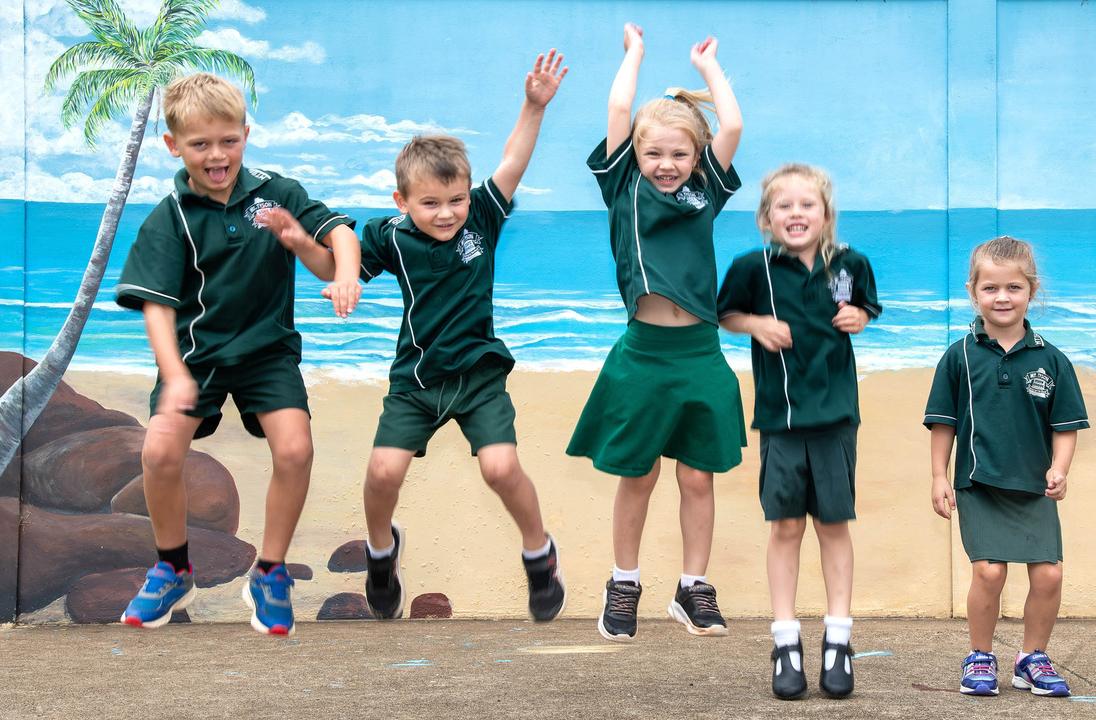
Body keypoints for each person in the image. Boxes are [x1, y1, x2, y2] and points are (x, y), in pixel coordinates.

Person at [115, 72, 362, 636]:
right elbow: (155, 307)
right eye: (200, 144)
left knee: (295, 450)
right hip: (195, 357)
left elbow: (336, 242)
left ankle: (271, 573)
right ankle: (172, 567)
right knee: (159, 453)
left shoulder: (279, 192)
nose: (217, 154)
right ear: (174, 146)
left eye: (228, 140)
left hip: (266, 353)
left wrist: (337, 268)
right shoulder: (170, 216)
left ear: (246, 134)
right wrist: (175, 375)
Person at [355, 51, 568, 622]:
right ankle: (381, 553)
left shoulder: (482, 220)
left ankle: (539, 553)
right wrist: (337, 276)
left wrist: (532, 105)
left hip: (478, 376)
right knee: (382, 473)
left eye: (456, 200)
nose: (447, 213)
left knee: (500, 469)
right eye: (431, 203)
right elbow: (342, 250)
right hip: (417, 380)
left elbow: (513, 160)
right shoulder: (392, 235)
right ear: (402, 202)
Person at [567, 23, 745, 642]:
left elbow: (732, 128)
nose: (666, 165)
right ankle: (624, 583)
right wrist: (634, 54)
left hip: (700, 353)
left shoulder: (706, 193)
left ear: (695, 159)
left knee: (698, 476)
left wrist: (710, 71)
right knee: (637, 474)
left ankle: (693, 588)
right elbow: (621, 107)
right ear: (636, 156)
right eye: (654, 154)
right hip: (643, 354)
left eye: (678, 154)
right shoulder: (623, 187)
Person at [718, 163, 880, 699]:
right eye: (783, 206)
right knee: (786, 527)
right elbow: (725, 314)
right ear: (767, 217)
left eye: (806, 205)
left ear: (826, 214)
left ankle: (839, 639)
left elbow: (865, 308)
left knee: (834, 526)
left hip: (836, 419)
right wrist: (755, 324)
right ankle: (785, 641)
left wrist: (858, 316)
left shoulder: (850, 262)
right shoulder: (752, 268)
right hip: (781, 421)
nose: (795, 214)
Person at [924, 236, 1089, 697]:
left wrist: (1060, 468)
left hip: (1033, 487)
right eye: (991, 288)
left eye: (1013, 288)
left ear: (1031, 291)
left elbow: (1066, 424)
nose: (1002, 297)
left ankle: (1031, 658)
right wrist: (939, 476)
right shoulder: (958, 355)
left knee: (1050, 574)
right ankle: (980, 656)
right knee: (990, 572)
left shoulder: (1052, 359)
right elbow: (943, 423)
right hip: (979, 484)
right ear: (973, 291)